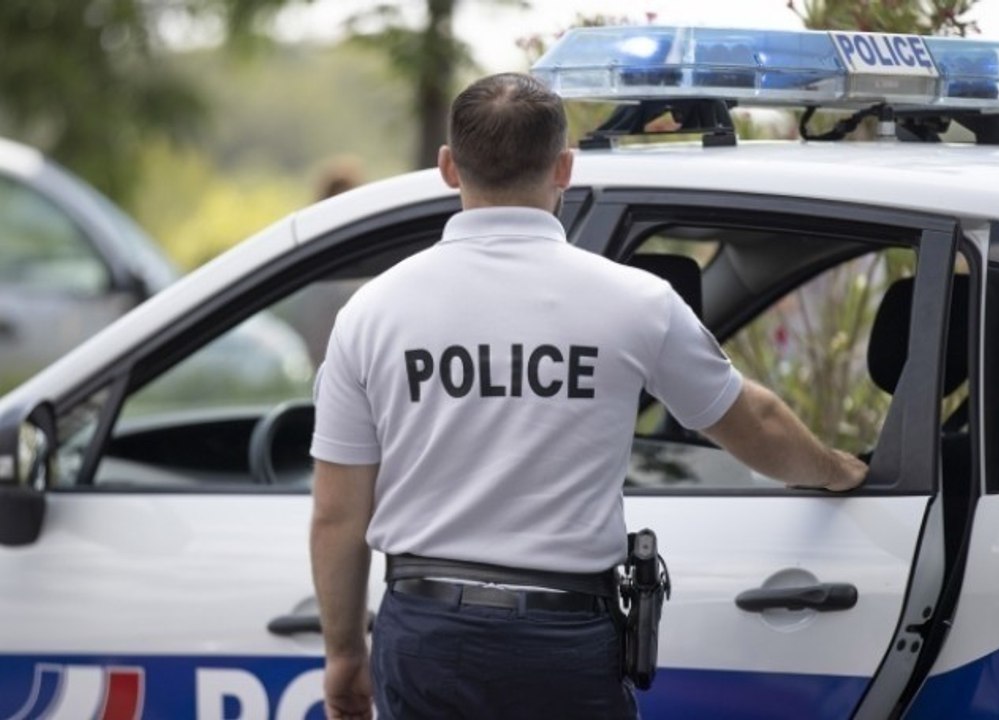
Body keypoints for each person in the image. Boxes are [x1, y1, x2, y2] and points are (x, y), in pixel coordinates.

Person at [309, 72, 868, 720]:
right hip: (563, 639)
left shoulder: (372, 312)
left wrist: (345, 653)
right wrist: (839, 470)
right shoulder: (636, 302)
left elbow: (337, 515)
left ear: (447, 167)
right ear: (565, 168)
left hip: (427, 636)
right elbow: (756, 424)